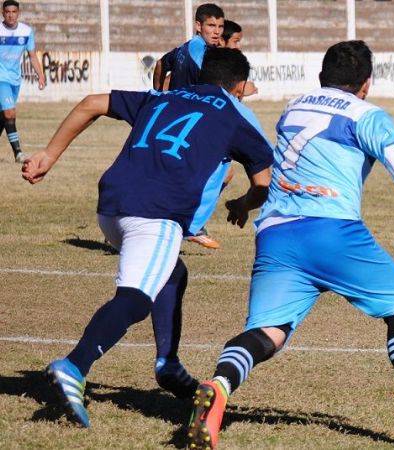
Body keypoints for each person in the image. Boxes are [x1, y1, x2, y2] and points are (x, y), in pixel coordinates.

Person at [185, 40, 394, 449]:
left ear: (322, 77)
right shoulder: (367, 114)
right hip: (333, 230)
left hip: (277, 234)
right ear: (366, 84)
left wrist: (247, 203)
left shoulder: (294, 106)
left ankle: (219, 385)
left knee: (269, 331)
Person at [22, 48, 274, 428]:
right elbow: (264, 183)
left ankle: (168, 363)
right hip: (155, 215)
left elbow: (92, 103)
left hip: (110, 207)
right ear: (239, 87)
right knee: (136, 298)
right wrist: (241, 204)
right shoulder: (235, 118)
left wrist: (48, 155)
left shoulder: (163, 96)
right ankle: (75, 365)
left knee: (172, 272)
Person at [153, 3, 225, 251]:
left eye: (220, 27)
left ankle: (186, 222)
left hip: (177, 119)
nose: (216, 31)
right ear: (198, 26)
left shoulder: (183, 48)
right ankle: (192, 225)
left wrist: (157, 94)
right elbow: (213, 84)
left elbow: (161, 64)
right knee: (214, 172)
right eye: (211, 26)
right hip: (188, 123)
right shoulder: (200, 50)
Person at [0, 0, 44, 163]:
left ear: (18, 13)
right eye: (7, 12)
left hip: (14, 80)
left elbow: (32, 56)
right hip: (1, 79)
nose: (11, 15)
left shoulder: (26, 31)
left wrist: (41, 75)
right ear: (2, 13)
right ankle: (18, 152)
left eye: (14, 12)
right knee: (10, 112)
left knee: (3, 116)